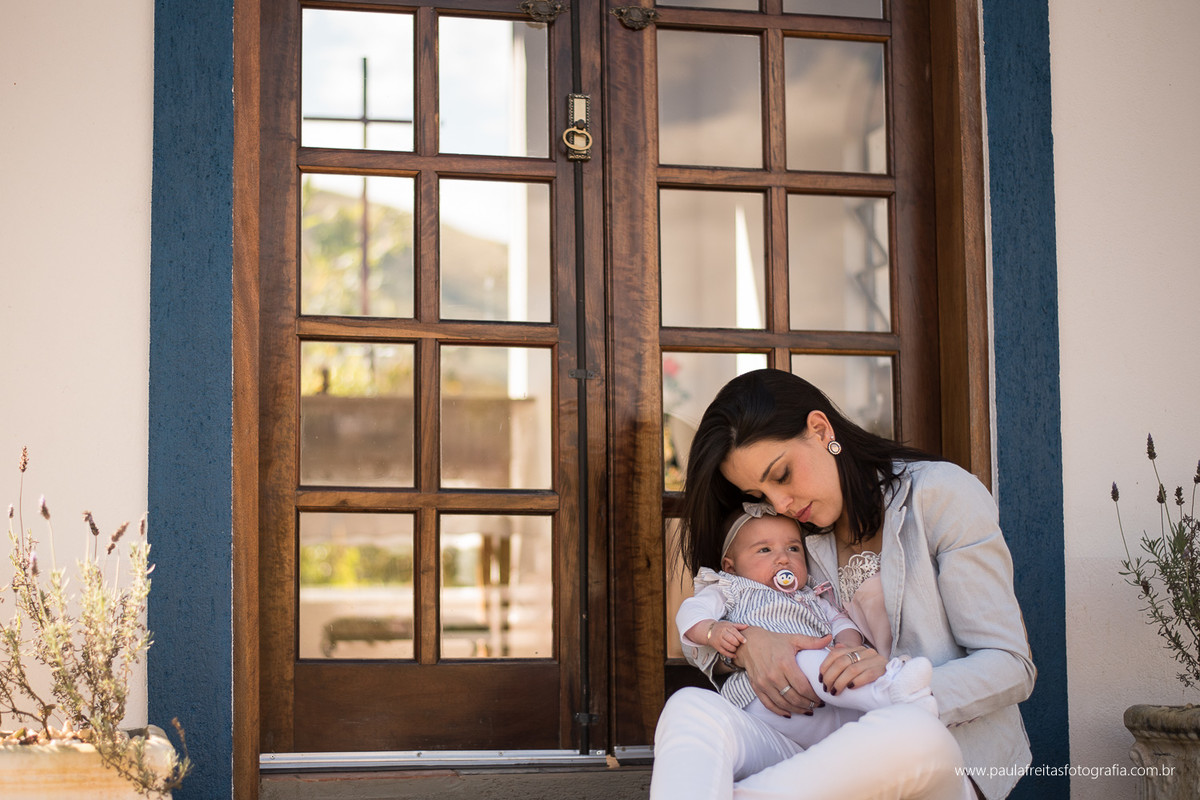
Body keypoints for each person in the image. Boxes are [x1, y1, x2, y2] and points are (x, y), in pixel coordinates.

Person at [650, 369, 1035, 800]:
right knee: (690, 709)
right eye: (759, 495)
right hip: (818, 748)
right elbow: (721, 622)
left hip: (933, 749)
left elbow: (1011, 665)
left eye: (781, 475)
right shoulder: (792, 540)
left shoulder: (940, 493)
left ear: (820, 430)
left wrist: (898, 683)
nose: (779, 505)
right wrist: (748, 645)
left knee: (908, 730)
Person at [677, 500, 937, 749]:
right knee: (803, 654)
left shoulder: (812, 596)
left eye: (793, 548)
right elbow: (690, 611)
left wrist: (847, 646)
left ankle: (895, 716)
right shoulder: (729, 587)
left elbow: (840, 622)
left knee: (839, 678)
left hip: (821, 706)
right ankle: (890, 692)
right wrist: (712, 631)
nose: (782, 558)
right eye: (765, 550)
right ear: (730, 567)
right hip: (758, 698)